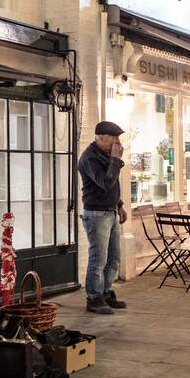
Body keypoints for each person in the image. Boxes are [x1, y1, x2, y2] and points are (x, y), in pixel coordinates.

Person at [77, 120, 128, 315]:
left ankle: (106, 292)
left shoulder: (105, 154)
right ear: (101, 138)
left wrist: (120, 205)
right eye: (114, 139)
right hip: (96, 214)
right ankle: (94, 298)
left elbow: (114, 185)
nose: (117, 143)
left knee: (114, 257)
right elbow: (105, 183)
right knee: (98, 258)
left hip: (111, 211)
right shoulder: (89, 158)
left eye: (118, 139)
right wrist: (115, 159)